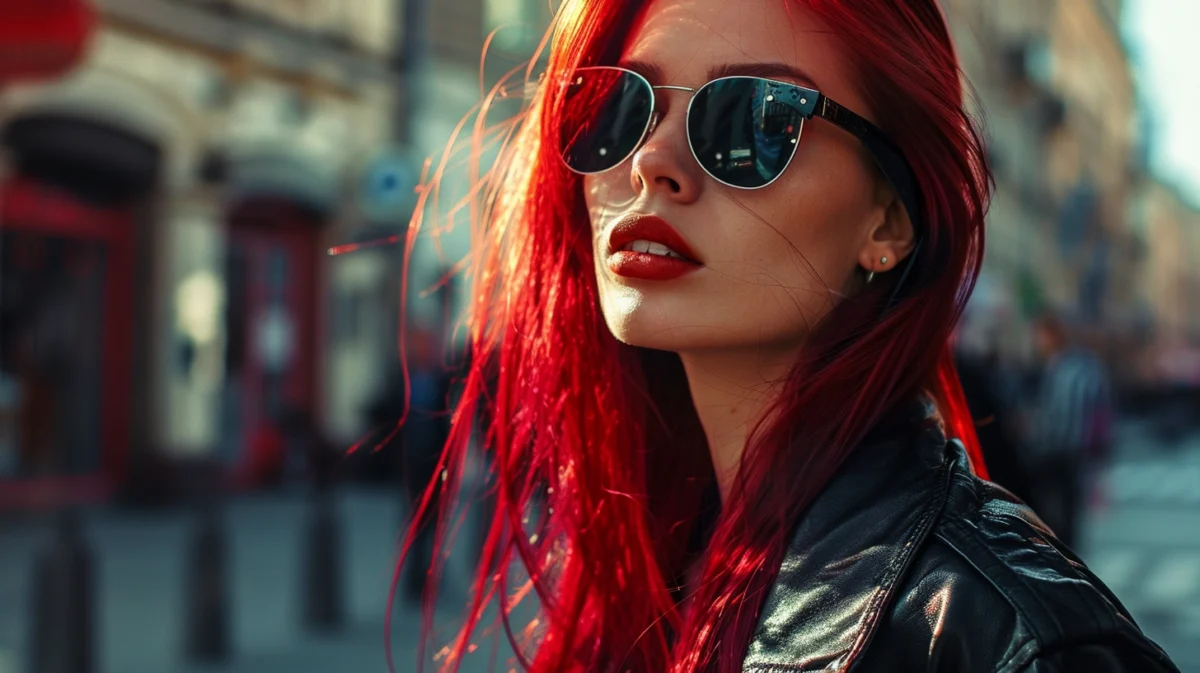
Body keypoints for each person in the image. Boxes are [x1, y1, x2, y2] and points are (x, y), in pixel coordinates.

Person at [394, 1, 1179, 671]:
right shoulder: (661, 551)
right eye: (618, 110)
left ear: (889, 220)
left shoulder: (1010, 638)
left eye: (752, 121)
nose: (652, 163)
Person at [1027, 312, 1115, 549]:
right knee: (1064, 515)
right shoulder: (1074, 366)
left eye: (1041, 336)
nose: (1038, 343)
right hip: (1068, 451)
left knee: (1059, 515)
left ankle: (1063, 562)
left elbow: (1060, 413)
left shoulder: (1068, 368)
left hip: (1062, 450)